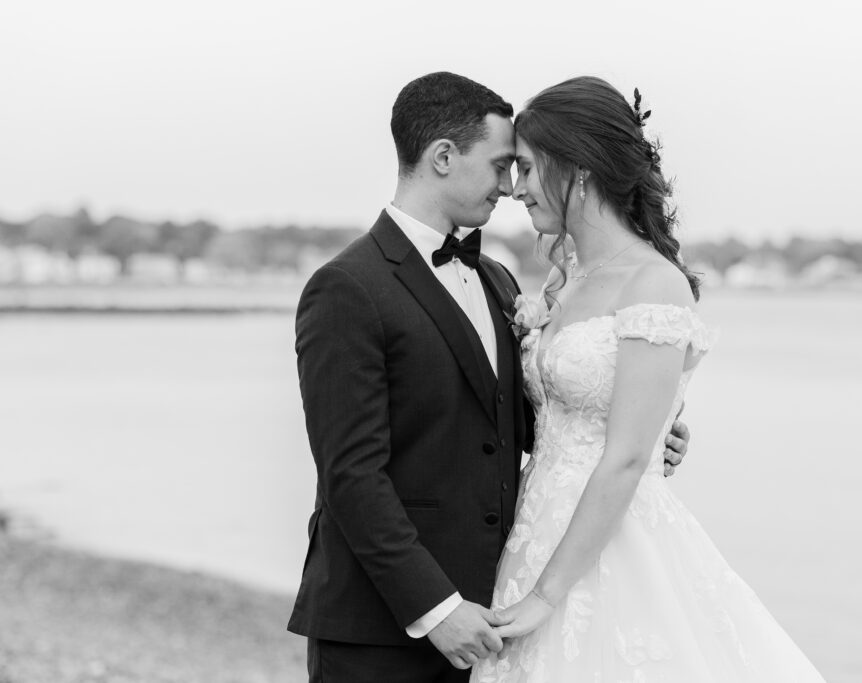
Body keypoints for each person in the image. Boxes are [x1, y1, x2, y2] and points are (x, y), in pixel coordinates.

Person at [288, 72, 691, 683]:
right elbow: (349, 475)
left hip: (497, 611)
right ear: (444, 157)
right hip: (383, 626)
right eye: (503, 165)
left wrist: (643, 425)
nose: (510, 188)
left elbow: (528, 423)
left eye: (521, 169)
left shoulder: (499, 281)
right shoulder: (348, 288)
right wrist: (435, 608)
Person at [471, 77, 827, 682]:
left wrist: (544, 597)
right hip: (536, 525)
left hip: (610, 543)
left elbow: (627, 459)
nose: (516, 188)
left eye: (528, 169)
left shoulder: (653, 283)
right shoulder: (563, 279)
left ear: (577, 168)